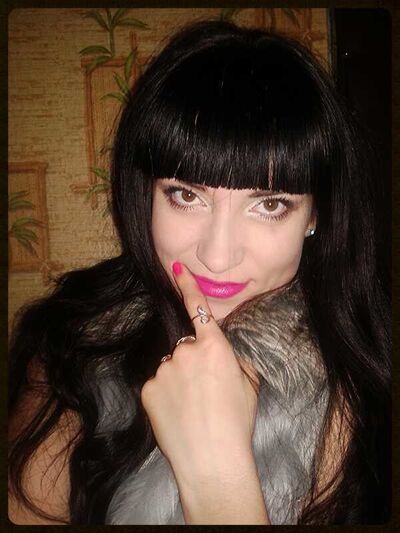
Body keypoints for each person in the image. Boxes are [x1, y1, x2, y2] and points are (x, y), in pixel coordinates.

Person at [8, 19, 391, 525]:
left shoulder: (361, 385)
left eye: (269, 204)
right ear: (146, 193)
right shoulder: (74, 344)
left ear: (315, 215)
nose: (217, 255)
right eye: (187, 195)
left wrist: (216, 477)